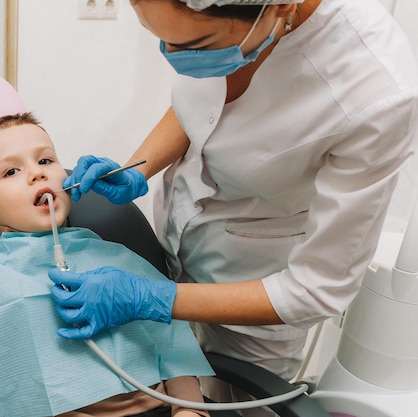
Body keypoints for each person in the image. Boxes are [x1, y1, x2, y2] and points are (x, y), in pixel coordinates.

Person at [48, 0, 418, 412]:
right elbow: (201, 106)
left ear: (280, 6)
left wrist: (152, 298)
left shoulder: (376, 94)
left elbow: (316, 290)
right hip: (173, 252)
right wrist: (141, 167)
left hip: (255, 295)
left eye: (198, 46)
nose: (175, 62)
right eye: (163, 42)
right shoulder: (229, 32)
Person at [0, 112, 214, 417]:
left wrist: (189, 412)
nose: (37, 174)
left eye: (45, 161)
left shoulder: (119, 259)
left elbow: (174, 352)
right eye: (11, 171)